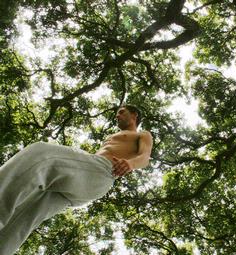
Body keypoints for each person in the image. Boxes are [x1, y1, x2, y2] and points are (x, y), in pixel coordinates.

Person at [0, 104, 153, 255]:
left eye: (121, 112)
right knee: (29, 211)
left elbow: (145, 157)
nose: (117, 116)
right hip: (88, 181)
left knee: (41, 154)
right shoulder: (111, 137)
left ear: (134, 115)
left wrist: (130, 164)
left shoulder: (143, 135)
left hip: (102, 170)